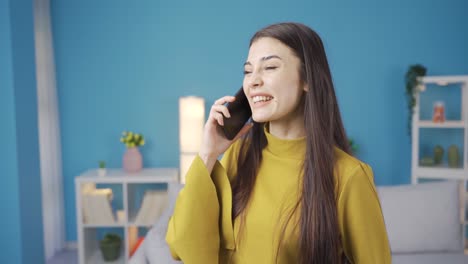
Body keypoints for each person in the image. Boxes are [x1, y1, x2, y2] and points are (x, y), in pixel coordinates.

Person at [166, 22, 391, 264]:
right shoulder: (237, 155)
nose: (253, 81)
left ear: (308, 80)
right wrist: (208, 154)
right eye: (248, 71)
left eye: (270, 67)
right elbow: (180, 246)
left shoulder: (349, 176)